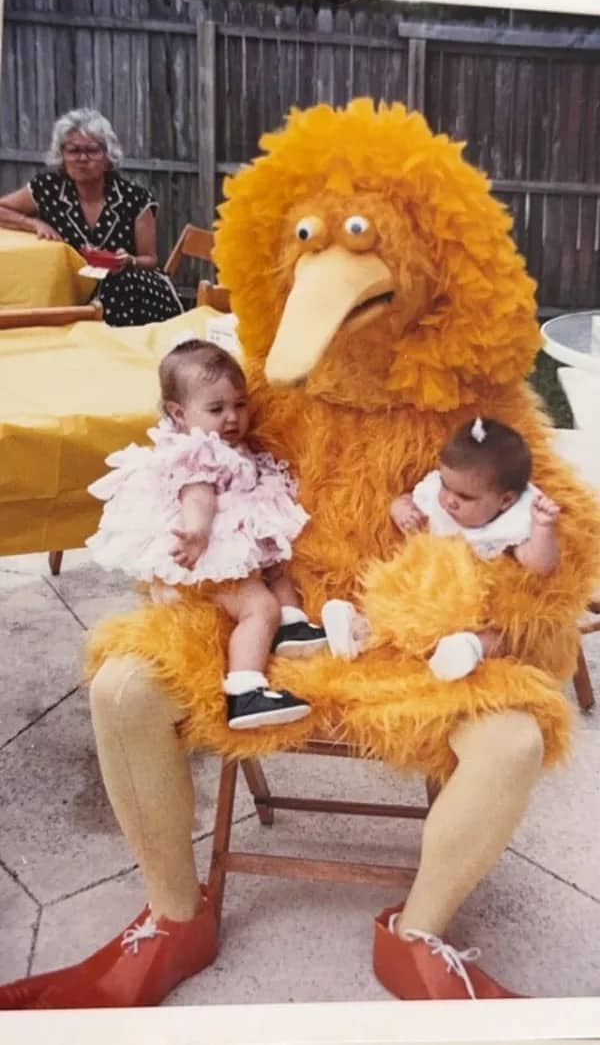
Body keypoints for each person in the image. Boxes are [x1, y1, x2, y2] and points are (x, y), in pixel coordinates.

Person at [86, 337, 327, 729]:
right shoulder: (196, 451)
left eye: (239, 405)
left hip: (231, 546)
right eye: (216, 409)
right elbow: (197, 492)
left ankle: (291, 623)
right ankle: (245, 690)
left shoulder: (229, 445)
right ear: (178, 413)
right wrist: (197, 531)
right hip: (207, 554)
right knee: (257, 607)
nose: (232, 418)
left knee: (278, 568)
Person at [324, 418, 561, 679]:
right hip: (425, 589)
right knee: (395, 603)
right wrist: (402, 510)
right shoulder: (438, 494)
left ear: (505, 501)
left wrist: (543, 528)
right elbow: (404, 499)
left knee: (503, 636)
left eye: (464, 497)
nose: (449, 500)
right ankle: (357, 628)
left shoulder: (513, 521)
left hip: (476, 607)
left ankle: (466, 649)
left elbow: (540, 564)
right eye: (445, 486)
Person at [0, 107, 183, 326]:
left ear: (107, 156)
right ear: (62, 155)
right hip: (73, 289)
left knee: (118, 283)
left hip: (134, 289)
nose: (82, 159)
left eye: (92, 150)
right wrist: (33, 223)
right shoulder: (48, 189)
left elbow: (150, 260)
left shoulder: (135, 198)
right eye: (73, 151)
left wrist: (128, 261)